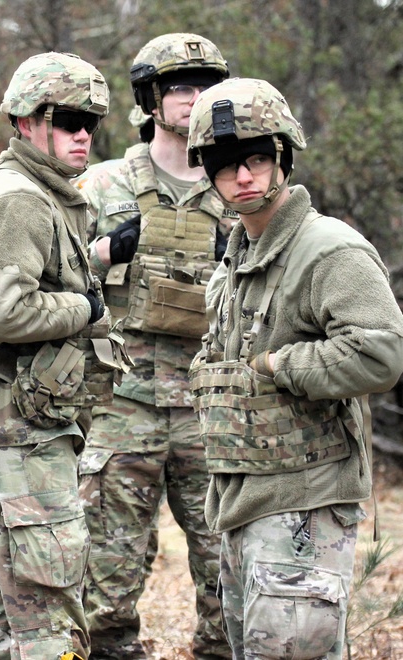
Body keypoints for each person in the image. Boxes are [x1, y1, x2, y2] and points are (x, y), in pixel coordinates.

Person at [186, 77, 403, 658]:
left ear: (283, 157)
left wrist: (283, 364)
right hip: (242, 499)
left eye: (256, 158)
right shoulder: (237, 258)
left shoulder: (329, 249)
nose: (243, 177)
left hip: (303, 501)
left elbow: (381, 354)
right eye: (225, 164)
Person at [0, 52, 126, 659]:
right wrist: (87, 310)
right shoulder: (18, 198)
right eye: (70, 119)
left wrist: (92, 265)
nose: (84, 134)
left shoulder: (41, 196)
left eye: (91, 122)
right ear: (25, 121)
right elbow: (1, 311)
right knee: (49, 619)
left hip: (9, 433)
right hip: (11, 439)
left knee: (4, 615)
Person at [77, 33, 233, 659]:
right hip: (122, 405)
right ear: (150, 100)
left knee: (229, 566)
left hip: (215, 406)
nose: (195, 103)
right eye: (181, 90)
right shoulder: (101, 185)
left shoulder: (239, 184)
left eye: (206, 90)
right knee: (106, 577)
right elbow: (50, 279)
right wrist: (108, 250)